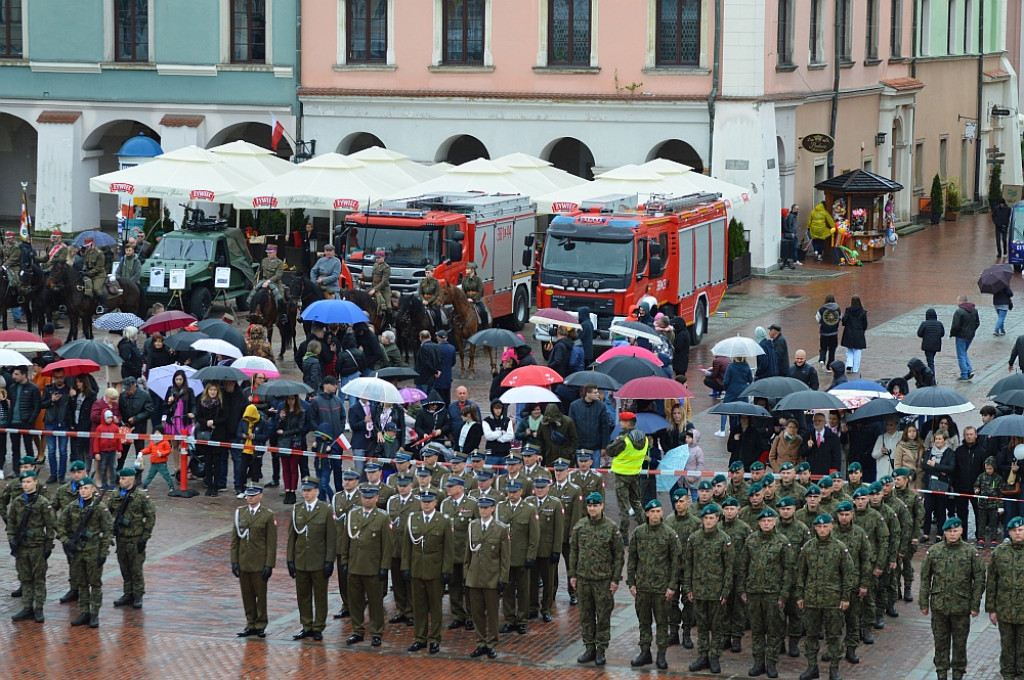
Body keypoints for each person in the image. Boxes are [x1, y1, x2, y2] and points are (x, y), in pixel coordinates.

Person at [920, 516, 985, 680]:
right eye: (949, 531)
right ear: (944, 532)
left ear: (961, 531)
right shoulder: (935, 551)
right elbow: (925, 577)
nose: (952, 534)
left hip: (961, 608)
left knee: (959, 645)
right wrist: (923, 602)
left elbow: (979, 579)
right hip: (939, 607)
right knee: (940, 644)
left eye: (955, 531)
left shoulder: (970, 553)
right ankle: (941, 673)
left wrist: (975, 604)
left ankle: (958, 674)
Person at [795, 514, 854, 680]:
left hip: (832, 600)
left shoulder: (840, 548)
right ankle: (812, 667)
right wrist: (800, 595)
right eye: (819, 527)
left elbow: (848, 574)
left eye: (825, 526)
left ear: (831, 526)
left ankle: (834, 669)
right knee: (811, 635)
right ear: (814, 527)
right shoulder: (808, 547)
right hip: (811, 599)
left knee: (834, 636)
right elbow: (800, 574)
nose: (822, 529)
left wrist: (845, 597)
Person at [626, 498, 682, 670]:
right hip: (643, 587)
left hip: (661, 589)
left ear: (662, 513)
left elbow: (676, 563)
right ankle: (645, 652)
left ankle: (661, 655)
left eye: (658, 511)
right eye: (652, 512)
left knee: (662, 623)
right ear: (647, 514)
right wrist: (631, 582)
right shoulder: (638, 533)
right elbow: (632, 559)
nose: (655, 514)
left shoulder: (669, 534)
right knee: (643, 622)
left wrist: (672, 586)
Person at [569, 492, 623, 666]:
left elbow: (618, 556)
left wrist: (615, 580)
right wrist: (572, 575)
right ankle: (589, 648)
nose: (592, 508)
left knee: (603, 617)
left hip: (603, 581)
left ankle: (601, 650)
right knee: (586, 616)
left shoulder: (611, 528)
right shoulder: (580, 526)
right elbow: (574, 552)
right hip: (584, 580)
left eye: (595, 505)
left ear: (602, 506)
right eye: (589, 506)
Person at [740, 507, 794, 678]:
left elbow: (788, 570)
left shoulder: (782, 541)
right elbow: (743, 566)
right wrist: (742, 589)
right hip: (754, 592)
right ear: (758, 522)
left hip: (773, 593)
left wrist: (783, 595)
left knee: (773, 630)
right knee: (756, 630)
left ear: (775, 522)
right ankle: (758, 662)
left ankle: (771, 662)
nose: (766, 523)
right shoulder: (750, 540)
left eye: (769, 521)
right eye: (763, 521)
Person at [339, 485, 392, 647]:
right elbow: (345, 541)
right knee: (355, 601)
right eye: (365, 497)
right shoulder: (352, 515)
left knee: (375, 603)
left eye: (371, 497)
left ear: (376, 498)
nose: (367, 500)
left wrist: (384, 567)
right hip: (355, 565)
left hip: (372, 567)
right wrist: (345, 561)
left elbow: (387, 545)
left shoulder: (383, 517)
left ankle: (376, 632)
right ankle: (357, 630)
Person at [683, 504, 733, 675]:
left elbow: (729, 568)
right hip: (699, 591)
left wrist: (726, 591)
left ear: (718, 519)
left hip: (716, 591)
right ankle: (703, 656)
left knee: (717, 627)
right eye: (706, 518)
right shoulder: (694, 538)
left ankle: (714, 657)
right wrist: (688, 587)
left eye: (712, 518)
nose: (709, 521)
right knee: (702, 627)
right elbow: (688, 564)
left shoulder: (723, 539)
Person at [402, 490, 454, 654]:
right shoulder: (413, 519)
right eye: (424, 501)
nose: (426, 504)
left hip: (435, 570)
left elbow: (448, 549)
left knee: (435, 606)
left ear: (435, 503)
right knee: (419, 606)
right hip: (417, 569)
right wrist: (405, 567)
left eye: (429, 501)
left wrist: (447, 570)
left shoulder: (443, 521)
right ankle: (420, 638)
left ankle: (435, 638)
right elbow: (406, 547)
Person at [287, 476, 337, 642]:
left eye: (309, 490)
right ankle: (306, 625)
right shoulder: (297, 509)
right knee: (303, 595)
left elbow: (331, 538)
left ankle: (318, 626)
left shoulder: (326, 510)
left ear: (316, 491)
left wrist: (329, 561)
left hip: (318, 560)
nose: (306, 494)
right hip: (301, 559)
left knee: (320, 595)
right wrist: (290, 560)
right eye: (304, 490)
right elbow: (292, 537)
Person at [59, 475, 113, 628]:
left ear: (93, 489)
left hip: (93, 551)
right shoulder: (71, 507)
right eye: (81, 488)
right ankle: (84, 612)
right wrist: (66, 541)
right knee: (81, 583)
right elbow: (61, 525)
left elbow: (108, 530)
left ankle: (94, 613)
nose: (83, 490)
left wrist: (103, 552)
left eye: (86, 488)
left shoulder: (100, 508)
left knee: (95, 584)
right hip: (77, 552)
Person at [6, 470, 56, 624]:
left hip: (37, 547)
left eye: (28, 482)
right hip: (22, 547)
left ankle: (39, 608)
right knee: (25, 578)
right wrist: (11, 541)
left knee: (38, 579)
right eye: (23, 482)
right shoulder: (17, 502)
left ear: (35, 482)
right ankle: (27, 607)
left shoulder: (43, 503)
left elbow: (50, 526)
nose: (26, 485)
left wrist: (48, 547)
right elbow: (11, 524)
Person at [464, 495, 508, 659]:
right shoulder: (472, 526)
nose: (482, 510)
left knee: (492, 612)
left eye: (486, 507)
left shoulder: (501, 528)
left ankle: (491, 643)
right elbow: (467, 554)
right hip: (474, 577)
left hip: (491, 577)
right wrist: (465, 575)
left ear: (492, 508)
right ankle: (481, 641)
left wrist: (503, 578)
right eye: (480, 507)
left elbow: (505, 557)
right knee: (477, 613)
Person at [230, 486, 276, 639]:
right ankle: (250, 623)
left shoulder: (267, 515)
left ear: (260, 496)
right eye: (248, 496)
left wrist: (269, 564)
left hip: (259, 562)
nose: (250, 498)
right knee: (247, 595)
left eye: (253, 495)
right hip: (244, 561)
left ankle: (260, 624)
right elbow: (235, 540)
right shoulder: (240, 513)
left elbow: (271, 543)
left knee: (260, 595)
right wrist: (234, 561)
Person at [107, 467, 156, 609]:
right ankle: (128, 593)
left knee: (136, 568)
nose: (120, 481)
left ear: (132, 479)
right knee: (124, 567)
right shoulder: (116, 496)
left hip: (135, 538)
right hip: (121, 538)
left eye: (123, 479)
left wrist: (144, 538)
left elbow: (151, 516)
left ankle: (138, 594)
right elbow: (106, 513)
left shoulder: (140, 497)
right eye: (120, 479)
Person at [497, 481, 539, 635]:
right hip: (506, 557)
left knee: (523, 590)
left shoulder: (529, 509)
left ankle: (521, 619)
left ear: (521, 491)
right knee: (507, 590)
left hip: (521, 556)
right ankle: (509, 619)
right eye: (509, 492)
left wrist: (531, 555)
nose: (511, 495)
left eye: (514, 492)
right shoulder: (501, 507)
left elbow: (534, 535)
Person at [986, 514, 1024, 678]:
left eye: (1021, 530)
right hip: (1005, 610)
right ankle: (1008, 675)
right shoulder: (1000, 552)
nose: (1018, 533)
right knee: (1007, 647)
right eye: (1014, 530)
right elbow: (991, 582)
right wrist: (991, 609)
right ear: (1008, 532)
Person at [607, 411, 648, 537]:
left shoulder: (623, 440)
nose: (620, 423)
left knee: (623, 507)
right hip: (635, 474)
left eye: (622, 421)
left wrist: (617, 440)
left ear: (627, 423)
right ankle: (645, 528)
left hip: (621, 476)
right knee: (636, 503)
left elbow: (610, 451)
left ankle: (624, 535)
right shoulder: (644, 438)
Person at [921, 430, 956, 542]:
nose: (938, 441)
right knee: (927, 509)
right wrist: (939, 470)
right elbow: (925, 466)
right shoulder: (930, 451)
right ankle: (926, 533)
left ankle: (939, 534)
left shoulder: (950, 453)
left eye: (940, 439)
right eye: (936, 439)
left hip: (942, 484)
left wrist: (935, 465)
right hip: (930, 484)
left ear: (945, 440)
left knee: (941, 510)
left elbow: (950, 468)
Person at [569, 384, 614, 467]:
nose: (598, 394)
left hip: (595, 448)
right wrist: (572, 446)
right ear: (588, 394)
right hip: (580, 447)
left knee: (595, 473)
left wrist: (604, 446)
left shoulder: (601, 406)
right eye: (595, 392)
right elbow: (571, 427)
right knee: (581, 474)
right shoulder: (574, 406)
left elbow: (605, 427)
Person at [41, 367, 72, 484]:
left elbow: (72, 408)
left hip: (64, 423)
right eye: (57, 377)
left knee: (63, 451)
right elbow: (41, 404)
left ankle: (62, 474)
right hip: (50, 422)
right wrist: (51, 400)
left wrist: (72, 397)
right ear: (53, 378)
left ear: (64, 377)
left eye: (61, 377)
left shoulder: (69, 389)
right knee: (51, 450)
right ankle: (53, 474)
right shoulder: (49, 389)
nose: (59, 380)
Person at [8, 366, 40, 462]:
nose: (14, 376)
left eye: (16, 374)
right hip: (13, 421)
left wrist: (30, 420)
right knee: (15, 448)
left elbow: (37, 406)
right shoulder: (12, 388)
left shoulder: (33, 388)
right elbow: (11, 403)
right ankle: (16, 469)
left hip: (26, 422)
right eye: (13, 374)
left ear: (24, 375)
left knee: (28, 447)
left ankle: (30, 468)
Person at [717, 357, 753, 437]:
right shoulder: (746, 366)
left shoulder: (731, 366)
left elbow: (726, 381)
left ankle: (727, 430)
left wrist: (726, 389)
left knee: (728, 410)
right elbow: (750, 380)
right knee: (742, 412)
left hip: (731, 392)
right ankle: (740, 431)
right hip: (743, 392)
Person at [248, 244, 286, 316]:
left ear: (275, 252)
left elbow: (278, 275)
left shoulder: (279, 263)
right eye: (267, 253)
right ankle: (251, 311)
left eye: (270, 253)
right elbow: (259, 272)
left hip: (275, 282)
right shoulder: (264, 261)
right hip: (263, 280)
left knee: (280, 297)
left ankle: (282, 315)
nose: (268, 254)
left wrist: (269, 281)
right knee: (253, 294)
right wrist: (255, 283)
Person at [950, 295, 981, 381]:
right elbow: (977, 323)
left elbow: (955, 325)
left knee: (961, 355)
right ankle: (969, 370)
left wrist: (952, 333)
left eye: (957, 301)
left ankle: (964, 374)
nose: (957, 302)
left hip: (961, 336)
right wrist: (972, 331)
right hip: (970, 336)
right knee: (964, 353)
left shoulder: (959, 312)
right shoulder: (974, 310)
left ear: (961, 301)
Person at [840, 295, 868, 374]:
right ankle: (855, 368)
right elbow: (865, 324)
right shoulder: (862, 311)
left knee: (849, 349)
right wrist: (862, 330)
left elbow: (844, 320)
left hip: (849, 332)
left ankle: (849, 363)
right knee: (857, 350)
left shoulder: (848, 310)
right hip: (858, 332)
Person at [894, 423, 926, 488]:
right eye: (909, 431)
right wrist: (900, 478)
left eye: (914, 431)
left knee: (918, 497)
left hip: (919, 477)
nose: (912, 433)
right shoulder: (901, 446)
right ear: (906, 433)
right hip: (905, 476)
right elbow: (897, 464)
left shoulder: (921, 445)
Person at [917, 308, 945, 376]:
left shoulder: (924, 323)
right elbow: (942, 334)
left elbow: (919, 333)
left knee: (930, 362)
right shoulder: (939, 324)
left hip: (927, 345)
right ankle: (930, 374)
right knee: (931, 359)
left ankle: (931, 376)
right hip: (936, 345)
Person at [816, 294, 842, 369]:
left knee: (823, 348)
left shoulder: (822, 309)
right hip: (834, 333)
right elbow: (840, 318)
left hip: (824, 332)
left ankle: (822, 359)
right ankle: (830, 365)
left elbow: (817, 319)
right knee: (832, 349)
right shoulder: (838, 309)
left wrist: (822, 323)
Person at [81, 237, 108, 307]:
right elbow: (85, 263)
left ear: (92, 244)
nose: (86, 247)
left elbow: (98, 268)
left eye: (87, 246)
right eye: (86, 246)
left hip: (99, 274)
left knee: (96, 289)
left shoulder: (99, 253)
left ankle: (103, 305)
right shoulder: (87, 252)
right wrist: (84, 269)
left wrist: (89, 273)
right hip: (89, 273)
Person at [414, 329, 442, 395]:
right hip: (432, 379)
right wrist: (438, 371)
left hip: (423, 378)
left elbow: (426, 363)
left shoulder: (423, 348)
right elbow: (440, 360)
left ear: (420, 338)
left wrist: (435, 371)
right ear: (430, 337)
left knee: (422, 399)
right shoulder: (436, 346)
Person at [434, 331, 457, 404]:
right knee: (447, 398)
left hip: (438, 376)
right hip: (447, 376)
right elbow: (453, 362)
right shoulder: (452, 348)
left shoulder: (436, 348)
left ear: (438, 338)